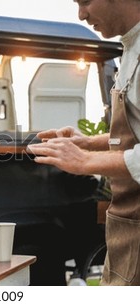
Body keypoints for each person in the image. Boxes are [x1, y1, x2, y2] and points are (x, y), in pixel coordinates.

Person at [27, 0, 140, 285]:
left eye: (86, 1)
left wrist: (86, 162)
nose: (81, 14)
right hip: (128, 228)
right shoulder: (131, 46)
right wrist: (89, 143)